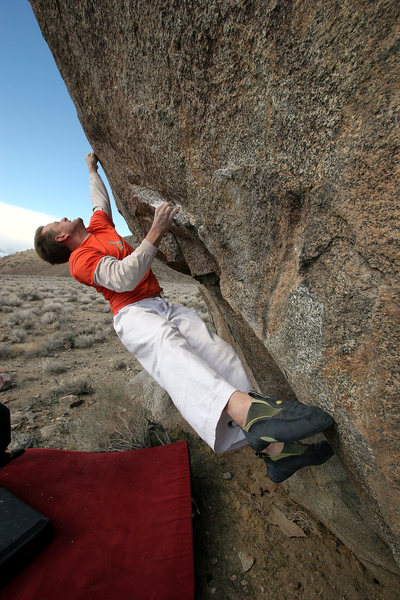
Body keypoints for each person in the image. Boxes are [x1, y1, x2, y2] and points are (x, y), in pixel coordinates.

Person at [34, 151, 334, 483]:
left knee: (218, 355)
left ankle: (278, 452)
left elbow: (98, 200)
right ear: (61, 238)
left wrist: (91, 168)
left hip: (158, 303)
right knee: (174, 357)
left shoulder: (98, 228)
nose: (62, 217)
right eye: (56, 223)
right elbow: (122, 278)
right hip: (133, 315)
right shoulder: (81, 259)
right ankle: (254, 416)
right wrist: (155, 232)